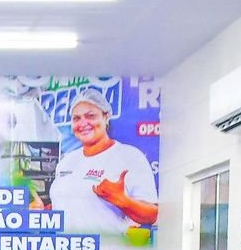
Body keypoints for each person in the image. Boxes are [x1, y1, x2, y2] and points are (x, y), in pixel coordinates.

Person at [48, 88, 158, 233]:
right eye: (76, 118)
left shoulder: (130, 156)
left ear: (106, 117)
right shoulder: (66, 162)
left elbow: (151, 215)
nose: (83, 123)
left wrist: (123, 201)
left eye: (91, 116)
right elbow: (69, 205)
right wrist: (42, 211)